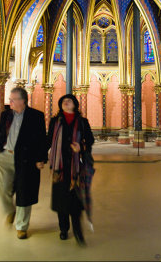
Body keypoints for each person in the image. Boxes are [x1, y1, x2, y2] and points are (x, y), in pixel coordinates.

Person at [0, 87, 47, 239]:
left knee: (24, 191)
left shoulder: (36, 116)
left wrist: (40, 158)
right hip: (5, 156)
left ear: (22, 100)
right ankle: (10, 211)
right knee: (1, 188)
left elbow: (41, 139)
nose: (10, 102)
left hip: (26, 158)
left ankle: (21, 226)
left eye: (13, 99)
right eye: (10, 99)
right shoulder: (6, 115)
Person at [47, 94, 94, 246]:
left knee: (75, 199)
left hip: (76, 167)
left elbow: (90, 139)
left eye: (69, 101)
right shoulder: (55, 122)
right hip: (59, 167)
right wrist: (40, 158)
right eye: (63, 101)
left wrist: (82, 146)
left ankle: (78, 230)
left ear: (75, 104)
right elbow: (48, 140)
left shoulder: (82, 122)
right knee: (61, 199)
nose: (66, 103)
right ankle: (63, 229)